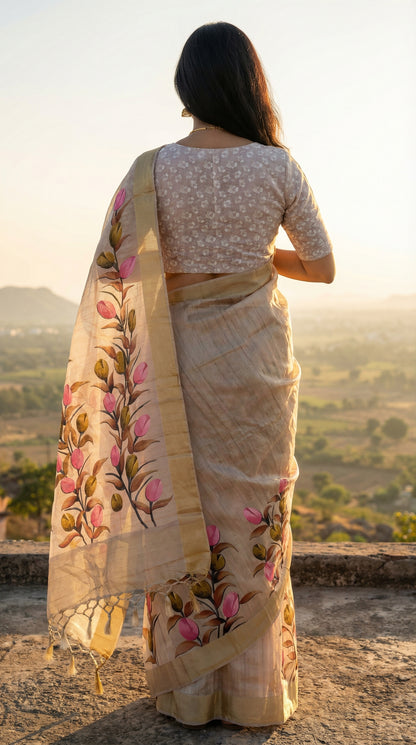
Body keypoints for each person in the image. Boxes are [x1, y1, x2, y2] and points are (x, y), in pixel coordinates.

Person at [47, 22, 334, 730]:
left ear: (187, 87)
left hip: (178, 365)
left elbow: (119, 272)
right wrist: (260, 258)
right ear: (249, 84)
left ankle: (187, 690)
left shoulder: (151, 170)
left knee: (184, 510)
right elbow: (323, 265)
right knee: (252, 513)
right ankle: (255, 688)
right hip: (255, 362)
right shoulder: (278, 167)